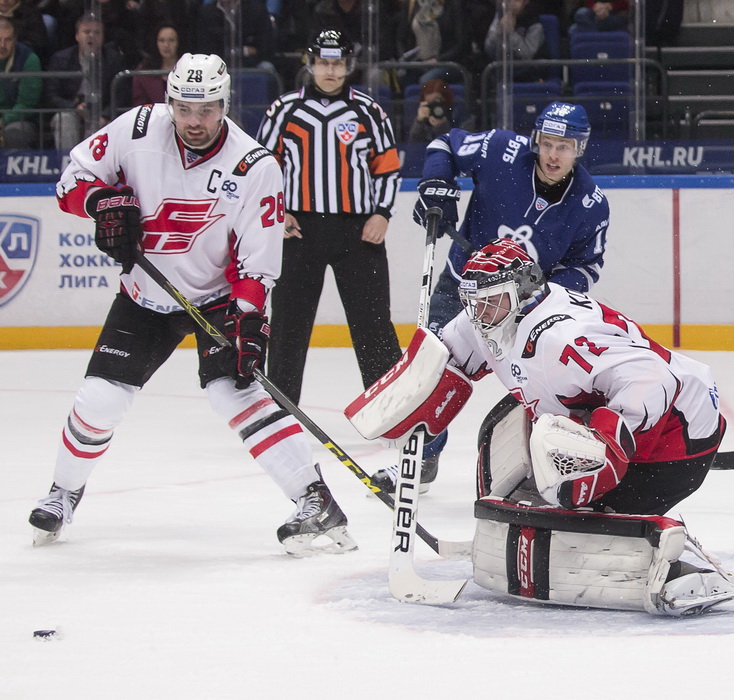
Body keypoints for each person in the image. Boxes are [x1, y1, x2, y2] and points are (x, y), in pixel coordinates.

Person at [28, 52, 355, 556]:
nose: (195, 121)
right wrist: (101, 203)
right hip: (145, 293)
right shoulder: (137, 128)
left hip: (217, 297)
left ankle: (316, 500)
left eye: (207, 109)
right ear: (168, 103)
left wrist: (248, 320)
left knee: (235, 394)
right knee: (100, 399)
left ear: (224, 104)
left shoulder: (254, 166)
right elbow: (71, 180)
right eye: (184, 109)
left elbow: (257, 263)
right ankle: (64, 492)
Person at [347, 239, 734, 615]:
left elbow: (655, 379)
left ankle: (687, 561)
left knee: (575, 520)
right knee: (512, 433)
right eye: (472, 303)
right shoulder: (493, 316)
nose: (479, 315)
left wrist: (611, 443)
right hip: (608, 414)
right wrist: (408, 398)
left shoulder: (561, 337)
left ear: (524, 291)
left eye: (489, 303)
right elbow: (446, 358)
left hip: (677, 437)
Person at [368, 101, 609, 494]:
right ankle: (420, 461)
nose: (552, 154)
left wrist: (539, 295)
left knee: (548, 389)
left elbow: (586, 268)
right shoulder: (501, 149)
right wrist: (436, 186)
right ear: (536, 140)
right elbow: (444, 145)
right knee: (430, 372)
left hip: (526, 314)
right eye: (547, 143)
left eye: (563, 147)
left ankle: (553, 469)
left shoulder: (591, 204)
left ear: (579, 148)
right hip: (460, 286)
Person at [255, 30, 402, 404]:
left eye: (338, 63)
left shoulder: (369, 111)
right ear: (311, 64)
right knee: (289, 325)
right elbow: (262, 167)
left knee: (374, 326)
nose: (331, 71)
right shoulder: (284, 109)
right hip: (299, 231)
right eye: (324, 63)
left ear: (348, 66)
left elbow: (387, 167)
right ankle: (281, 409)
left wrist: (382, 214)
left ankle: (387, 408)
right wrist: (278, 214)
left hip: (359, 232)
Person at [44, 12, 124, 151]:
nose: (91, 36)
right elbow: (50, 95)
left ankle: (95, 169)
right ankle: (69, 166)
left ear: (103, 37)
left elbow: (121, 94)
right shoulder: (61, 59)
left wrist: (105, 114)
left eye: (97, 32)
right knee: (64, 120)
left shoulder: (113, 60)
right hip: (71, 110)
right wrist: (73, 107)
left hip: (101, 113)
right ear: (77, 35)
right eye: (86, 32)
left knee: (99, 125)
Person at [191, 0, 276, 71]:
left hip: (252, 63)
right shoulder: (206, 12)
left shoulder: (257, 9)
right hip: (217, 64)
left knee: (266, 67)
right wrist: (244, 51)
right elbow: (205, 49)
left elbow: (266, 45)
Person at [0, 16, 42, 148]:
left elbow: (26, 103)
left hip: (20, 120)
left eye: (7, 40)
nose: (2, 45)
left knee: (14, 132)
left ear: (15, 39)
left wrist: (3, 121)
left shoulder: (29, 59)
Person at [483, 0, 549, 83]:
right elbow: (489, 48)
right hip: (503, 73)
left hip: (530, 74)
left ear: (525, 2)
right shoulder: (500, 17)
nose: (510, 3)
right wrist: (498, 32)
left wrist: (511, 33)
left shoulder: (534, 25)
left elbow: (526, 54)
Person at [131, 23, 183, 107]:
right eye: (162, 40)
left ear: (178, 42)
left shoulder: (188, 67)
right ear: (156, 43)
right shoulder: (144, 71)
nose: (166, 45)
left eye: (171, 40)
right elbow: (139, 104)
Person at [408, 77, 453, 142]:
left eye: (437, 102)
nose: (434, 106)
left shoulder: (456, 112)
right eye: (430, 103)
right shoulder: (421, 114)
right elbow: (413, 145)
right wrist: (419, 122)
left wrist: (442, 126)